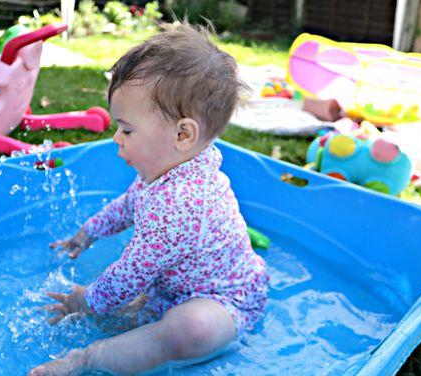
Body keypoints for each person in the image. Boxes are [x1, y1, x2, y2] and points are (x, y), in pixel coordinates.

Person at [30, 23, 269, 376]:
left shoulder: (181, 203)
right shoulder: (173, 166)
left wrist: (86, 299)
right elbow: (129, 205)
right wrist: (88, 233)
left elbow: (128, 276)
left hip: (225, 300)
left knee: (191, 329)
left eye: (126, 129)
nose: (116, 138)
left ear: (183, 134)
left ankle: (87, 360)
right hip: (174, 287)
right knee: (137, 312)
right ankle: (143, 324)